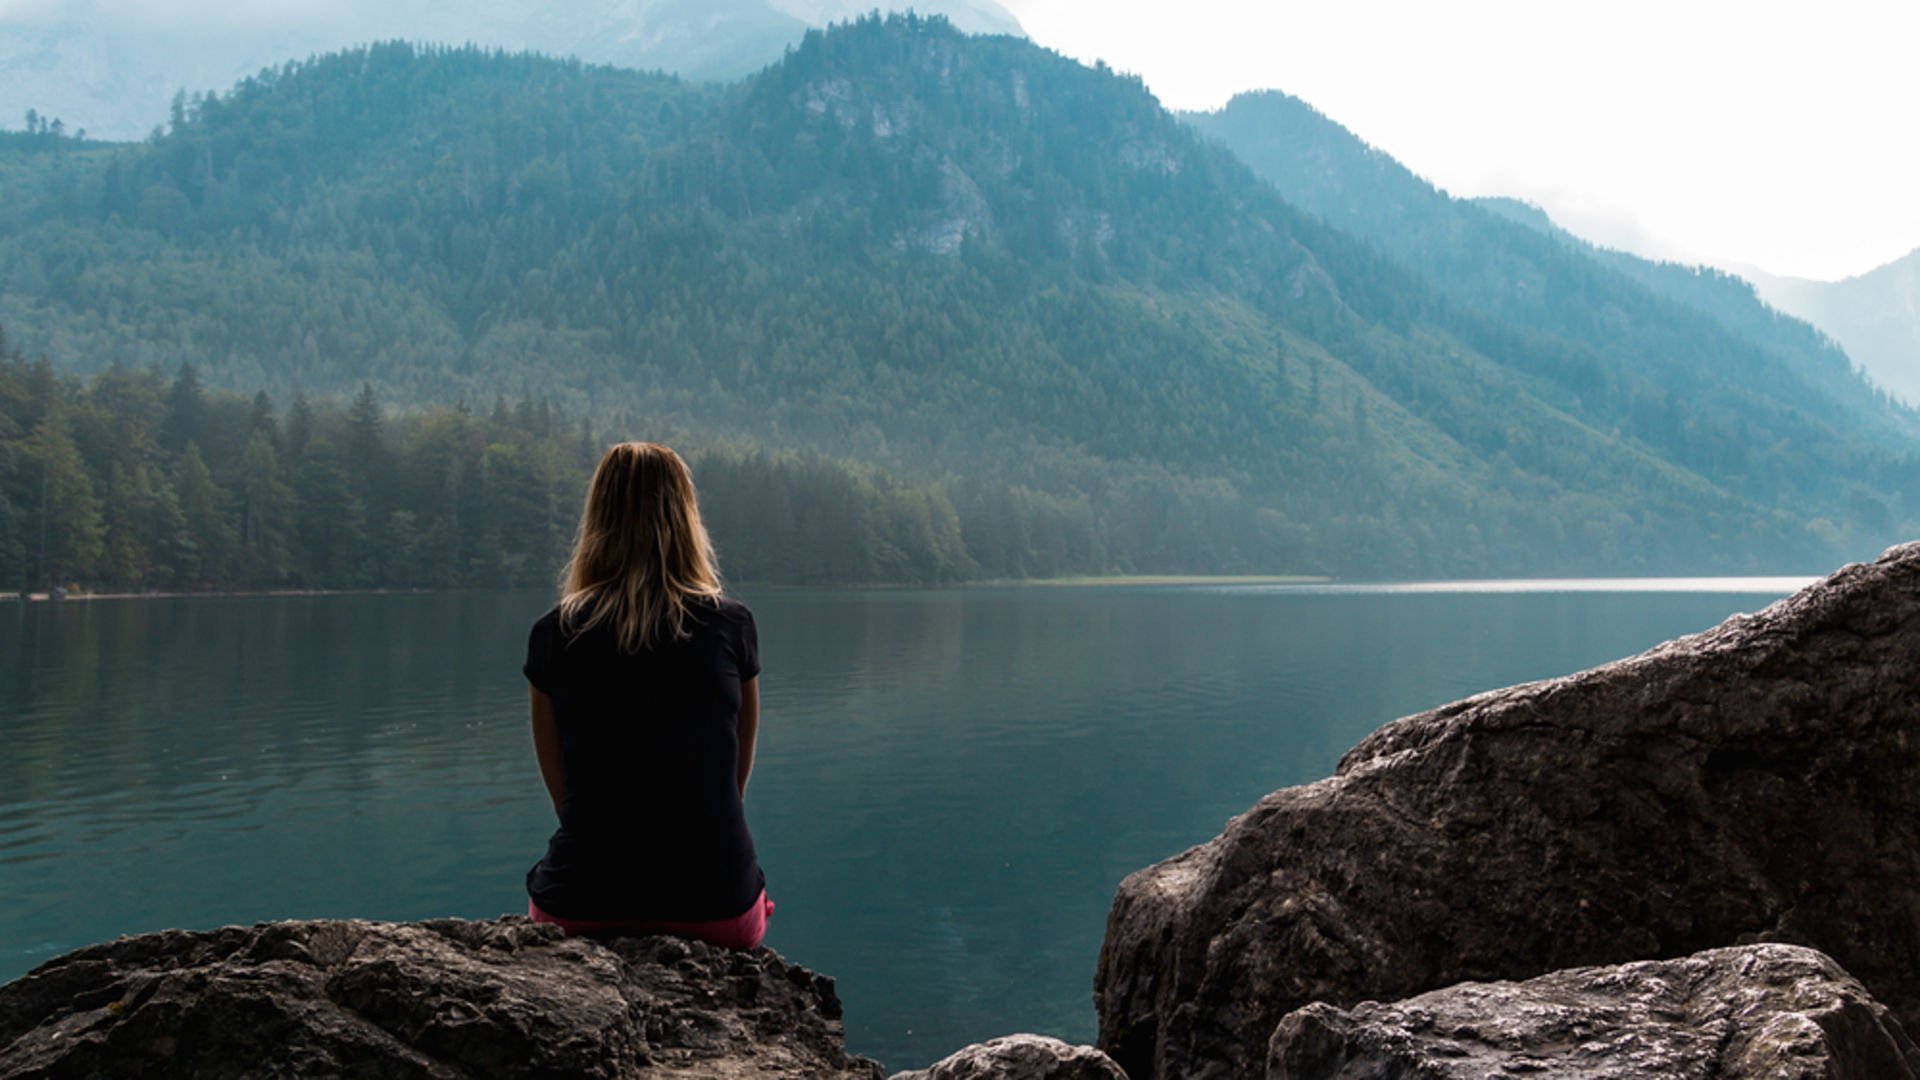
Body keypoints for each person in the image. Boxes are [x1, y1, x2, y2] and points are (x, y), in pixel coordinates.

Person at [522, 442, 772, 948]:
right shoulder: (731, 627)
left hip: (579, 904)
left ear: (597, 519)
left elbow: (562, 795)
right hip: (716, 907)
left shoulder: (554, 634)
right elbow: (734, 785)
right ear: (686, 518)